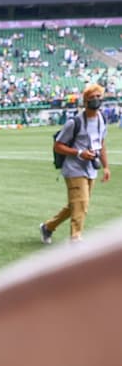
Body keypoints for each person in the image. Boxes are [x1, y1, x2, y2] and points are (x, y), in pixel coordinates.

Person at [40, 82, 110, 244]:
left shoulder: (102, 119)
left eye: (99, 97)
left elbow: (102, 143)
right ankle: (75, 238)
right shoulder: (74, 123)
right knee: (82, 203)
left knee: (76, 204)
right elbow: (58, 145)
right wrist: (79, 153)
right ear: (85, 102)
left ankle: (48, 227)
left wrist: (106, 166)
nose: (96, 100)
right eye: (92, 98)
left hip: (90, 168)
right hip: (74, 168)